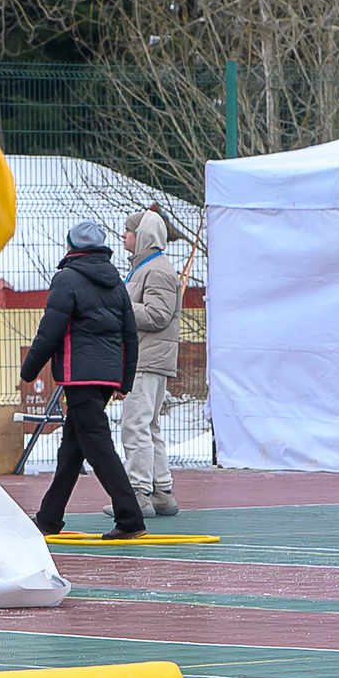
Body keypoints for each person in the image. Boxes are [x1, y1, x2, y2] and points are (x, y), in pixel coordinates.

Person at [22, 220, 144, 538]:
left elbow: (50, 330)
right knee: (72, 449)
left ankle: (130, 518)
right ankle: (49, 517)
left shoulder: (67, 279)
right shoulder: (115, 281)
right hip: (104, 377)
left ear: (72, 248)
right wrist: (124, 380)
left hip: (79, 376)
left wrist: (29, 370)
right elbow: (129, 334)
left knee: (98, 446)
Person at [120, 208, 183, 516]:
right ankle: (161, 491)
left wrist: (121, 305)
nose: (123, 235)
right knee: (149, 425)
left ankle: (138, 493)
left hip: (146, 359)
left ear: (143, 236)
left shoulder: (155, 270)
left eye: (128, 230)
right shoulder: (147, 268)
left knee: (135, 425)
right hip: (150, 357)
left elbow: (157, 316)